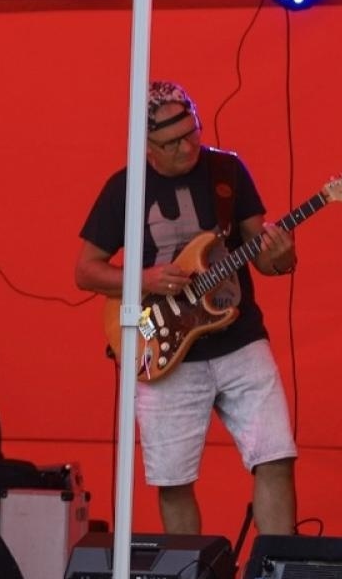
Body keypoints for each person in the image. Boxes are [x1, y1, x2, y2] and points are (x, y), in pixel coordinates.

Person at [74, 81, 298, 537]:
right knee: (173, 480)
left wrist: (282, 251)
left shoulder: (227, 170)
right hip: (162, 348)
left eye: (192, 132)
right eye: (172, 142)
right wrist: (145, 279)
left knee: (275, 455)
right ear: (147, 146)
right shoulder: (125, 188)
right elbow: (85, 271)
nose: (187, 145)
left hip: (239, 337)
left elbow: (268, 260)